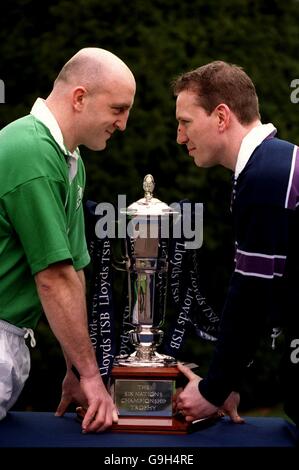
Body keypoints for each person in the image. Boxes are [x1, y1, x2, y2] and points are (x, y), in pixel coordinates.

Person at [0, 47, 136, 432]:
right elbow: (53, 277)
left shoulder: (68, 159)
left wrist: (76, 367)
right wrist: (93, 378)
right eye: (118, 109)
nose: (123, 124)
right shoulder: (31, 150)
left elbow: (73, 271)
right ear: (80, 98)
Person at [172, 60, 299, 432]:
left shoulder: (265, 176)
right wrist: (223, 382)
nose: (180, 137)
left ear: (222, 116)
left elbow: (250, 297)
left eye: (185, 122)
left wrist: (212, 389)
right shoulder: (271, 164)